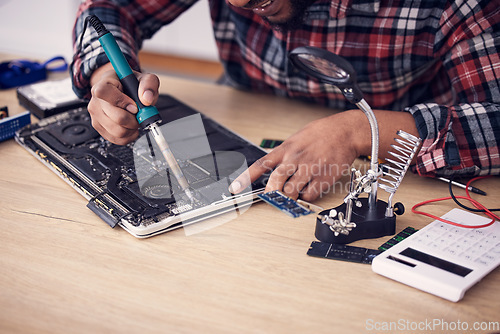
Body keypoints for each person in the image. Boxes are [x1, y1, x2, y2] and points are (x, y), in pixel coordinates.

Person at [71, 0, 500, 202]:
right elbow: (109, 8)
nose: (238, 3)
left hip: (403, 160)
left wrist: (358, 130)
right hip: (243, 110)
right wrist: (106, 73)